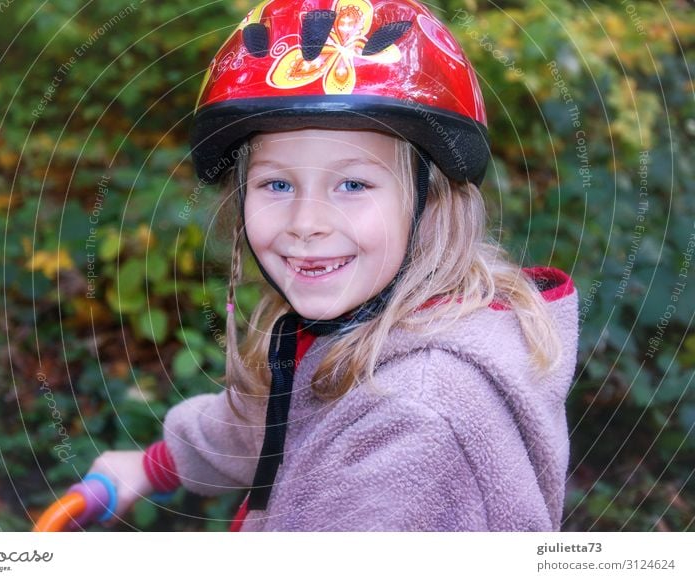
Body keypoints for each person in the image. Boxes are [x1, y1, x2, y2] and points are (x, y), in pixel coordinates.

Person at [83, 0, 579, 531]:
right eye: (277, 184)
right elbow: (282, 414)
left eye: (352, 184)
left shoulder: (414, 419)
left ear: (430, 201)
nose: (305, 222)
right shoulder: (363, 326)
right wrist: (155, 463)